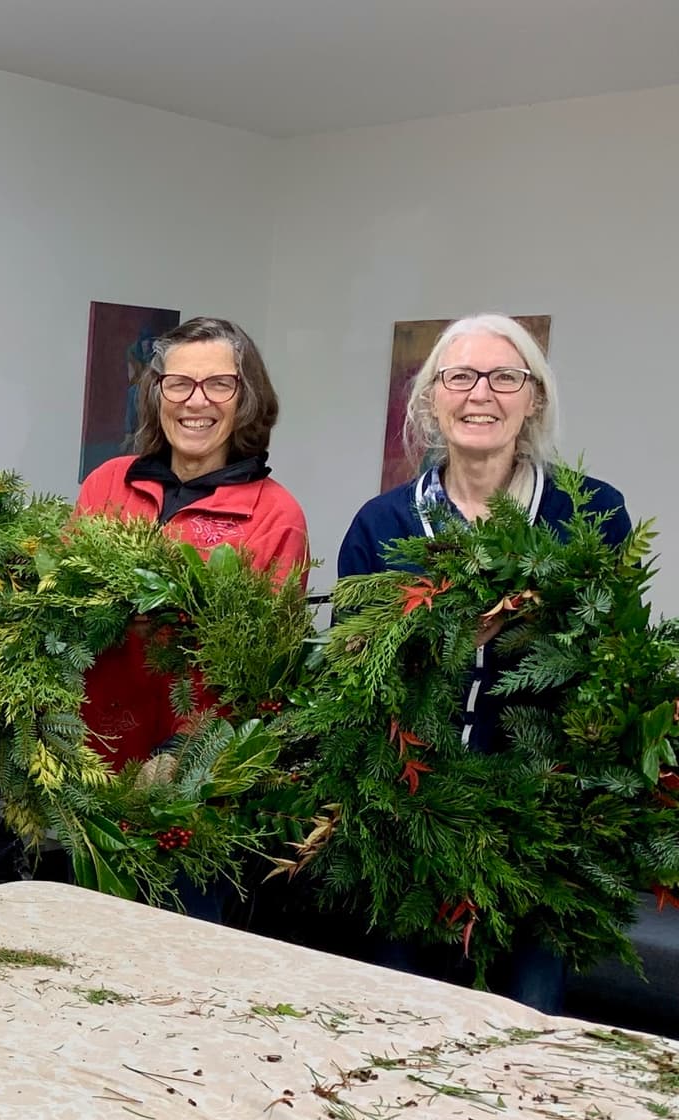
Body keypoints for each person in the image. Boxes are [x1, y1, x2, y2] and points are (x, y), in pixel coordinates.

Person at [337, 313, 632, 1011]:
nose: (481, 394)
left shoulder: (590, 513)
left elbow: (614, 667)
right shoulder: (383, 523)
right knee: (394, 1019)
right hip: (407, 822)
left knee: (526, 1026)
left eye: (505, 377)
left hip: (542, 834)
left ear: (535, 398)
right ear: (431, 399)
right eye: (460, 376)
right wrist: (445, 638)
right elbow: (350, 677)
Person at [75, 316, 306, 772]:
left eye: (219, 384)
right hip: (83, 758)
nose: (196, 401)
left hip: (194, 775)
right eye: (178, 383)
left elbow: (261, 675)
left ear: (246, 398)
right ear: (157, 393)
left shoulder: (275, 516)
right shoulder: (107, 484)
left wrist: (184, 756)